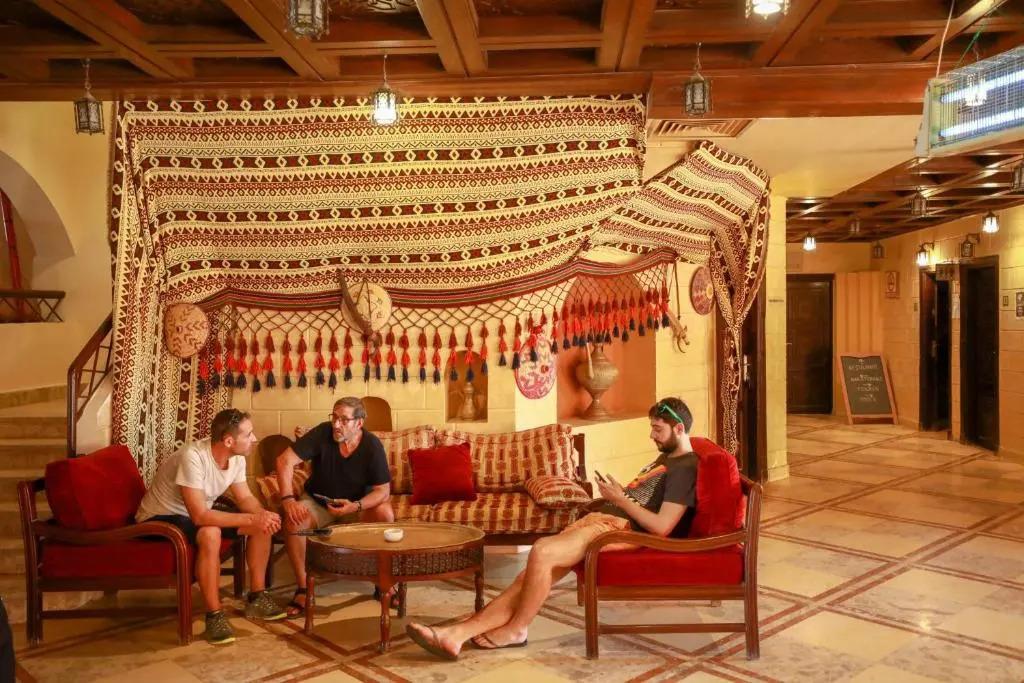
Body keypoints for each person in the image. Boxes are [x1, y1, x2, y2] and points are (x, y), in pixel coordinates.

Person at [405, 397, 699, 660]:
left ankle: (518, 629)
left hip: (618, 528)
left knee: (542, 551)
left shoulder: (685, 467)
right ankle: (455, 635)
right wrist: (618, 494)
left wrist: (620, 499)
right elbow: (647, 500)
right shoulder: (669, 457)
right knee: (528, 576)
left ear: (678, 429)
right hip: (604, 519)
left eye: (657, 429)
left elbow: (662, 527)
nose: (652, 435)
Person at [136, 408, 286, 645]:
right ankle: (214, 615)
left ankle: (257, 597)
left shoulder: (236, 457)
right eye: (248, 434)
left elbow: (245, 498)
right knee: (210, 532)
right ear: (228, 441)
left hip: (194, 514)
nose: (254, 438)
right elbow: (200, 516)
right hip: (160, 518)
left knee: (261, 526)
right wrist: (251, 519)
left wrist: (263, 515)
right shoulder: (193, 457)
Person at [276, 396, 395, 617]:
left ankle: (383, 582)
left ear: (359, 423)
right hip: (319, 502)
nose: (336, 424)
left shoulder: (372, 445)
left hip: (356, 507)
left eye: (344, 420)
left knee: (385, 513)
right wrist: (288, 500)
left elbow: (383, 491)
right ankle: (303, 588)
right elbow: (284, 461)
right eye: (334, 417)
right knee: (294, 522)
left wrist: (355, 506)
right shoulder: (322, 432)